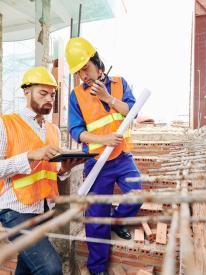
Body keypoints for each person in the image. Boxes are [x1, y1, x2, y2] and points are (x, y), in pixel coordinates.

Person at [65, 37, 142, 275]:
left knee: (136, 194)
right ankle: (96, 269)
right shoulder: (76, 95)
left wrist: (107, 98)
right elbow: (76, 131)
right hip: (96, 162)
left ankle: (117, 221)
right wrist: (102, 140)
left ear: (97, 62)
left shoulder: (119, 83)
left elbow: (133, 111)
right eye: (78, 72)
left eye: (85, 69)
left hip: (122, 157)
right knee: (96, 220)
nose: (84, 76)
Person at [0, 66, 85, 275]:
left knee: (27, 266)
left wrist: (64, 169)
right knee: (50, 269)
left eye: (53, 94)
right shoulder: (6, 123)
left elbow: (51, 171)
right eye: (43, 93)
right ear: (26, 91)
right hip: (15, 209)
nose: (50, 98)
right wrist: (30, 155)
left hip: (43, 207)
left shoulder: (53, 130)